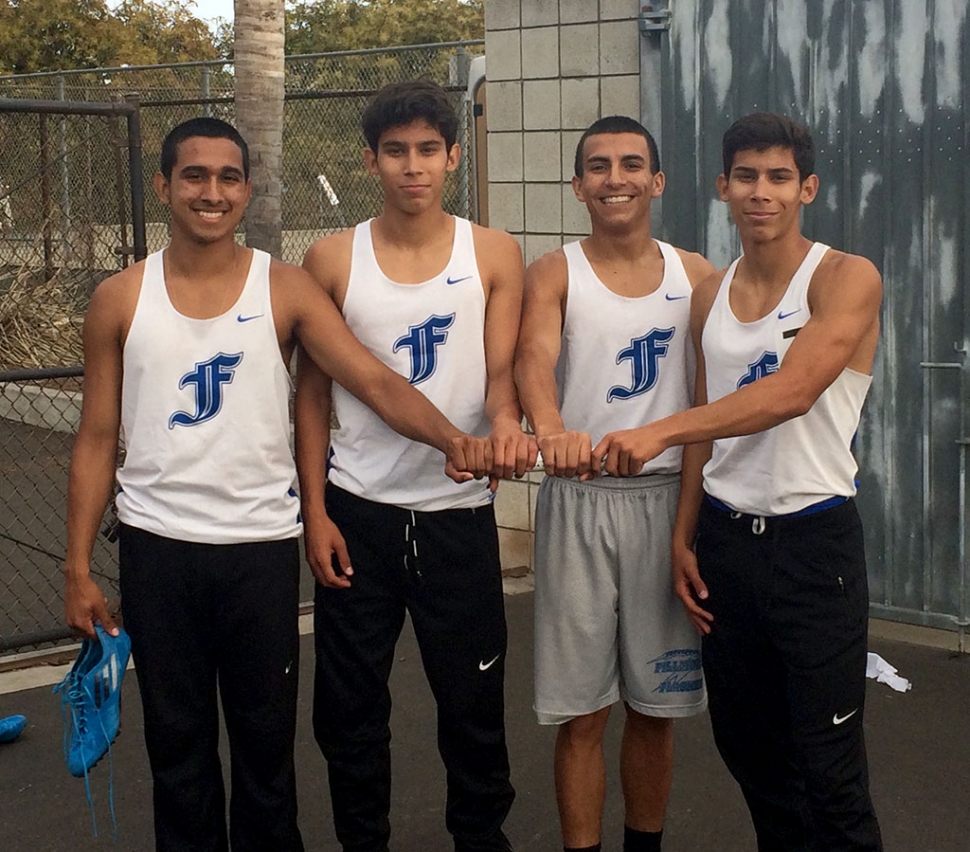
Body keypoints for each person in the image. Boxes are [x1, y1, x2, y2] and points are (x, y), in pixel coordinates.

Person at [62, 116, 494, 852]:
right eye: (194, 176)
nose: (212, 191)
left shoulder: (286, 288)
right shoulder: (120, 298)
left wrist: (455, 439)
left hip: (260, 552)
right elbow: (98, 437)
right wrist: (76, 567)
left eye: (229, 177)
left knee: (266, 755)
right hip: (158, 550)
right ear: (165, 186)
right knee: (178, 751)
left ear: (247, 191)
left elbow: (372, 382)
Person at [593, 113, 884, 851]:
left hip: (814, 548)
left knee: (830, 770)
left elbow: (790, 392)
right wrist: (684, 535)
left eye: (779, 177)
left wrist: (655, 432)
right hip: (727, 544)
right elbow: (706, 418)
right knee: (753, 756)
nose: (763, 192)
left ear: (807, 188)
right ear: (724, 187)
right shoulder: (709, 294)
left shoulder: (846, 277)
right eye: (747, 177)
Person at [297, 79, 535, 852]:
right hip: (358, 513)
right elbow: (313, 399)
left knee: (472, 704)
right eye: (395, 151)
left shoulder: (494, 252)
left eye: (428, 150)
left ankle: (480, 838)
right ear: (370, 160)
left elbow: (501, 383)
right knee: (350, 710)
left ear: (453, 157)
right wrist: (317, 512)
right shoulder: (332, 258)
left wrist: (503, 431)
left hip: (455, 518)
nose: (412, 166)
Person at [514, 116, 714, 852]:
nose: (616, 178)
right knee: (583, 712)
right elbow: (534, 358)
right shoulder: (555, 270)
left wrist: (691, 525)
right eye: (598, 167)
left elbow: (706, 396)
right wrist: (550, 426)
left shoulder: (695, 274)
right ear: (577, 185)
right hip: (582, 501)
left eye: (632, 164)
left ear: (657, 181)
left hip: (666, 503)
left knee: (657, 707)